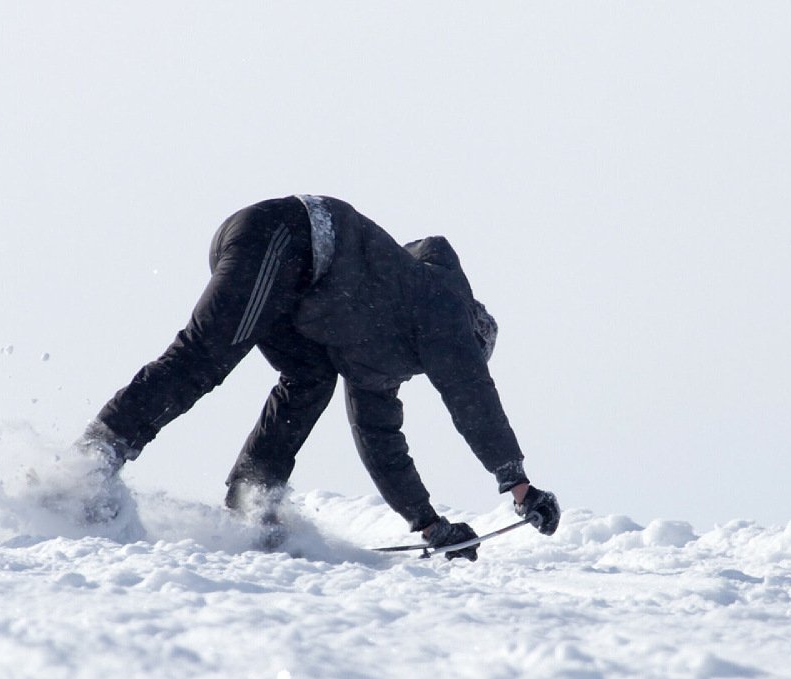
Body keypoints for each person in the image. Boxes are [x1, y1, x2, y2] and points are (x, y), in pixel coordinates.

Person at [75, 195, 560, 558]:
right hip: (288, 237)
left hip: (289, 273)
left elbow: (380, 441)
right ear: (470, 341)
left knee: (310, 377)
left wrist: (430, 526)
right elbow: (473, 397)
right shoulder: (443, 307)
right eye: (466, 358)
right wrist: (520, 487)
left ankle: (252, 501)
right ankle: (90, 462)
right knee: (203, 359)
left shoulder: (379, 358)